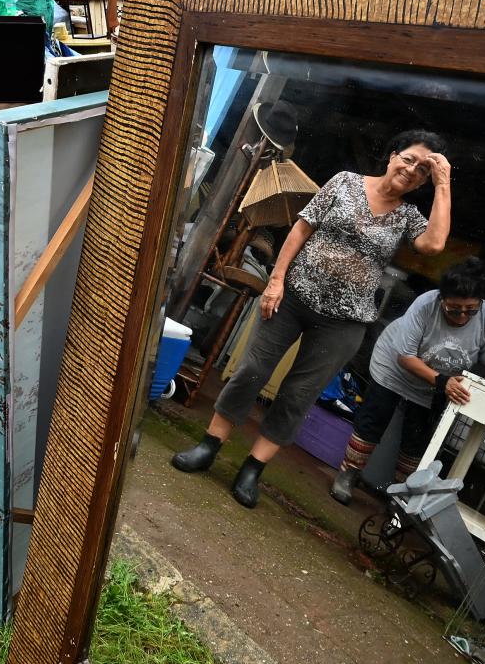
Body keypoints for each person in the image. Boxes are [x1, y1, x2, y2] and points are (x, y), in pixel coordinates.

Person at [171, 131, 453, 508]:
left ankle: (253, 468)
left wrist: (443, 182)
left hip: (345, 322)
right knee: (251, 370)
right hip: (293, 298)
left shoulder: (408, 217)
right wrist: (275, 282)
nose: (412, 170)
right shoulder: (345, 182)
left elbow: (433, 246)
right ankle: (209, 446)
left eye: (423, 170)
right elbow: (302, 228)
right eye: (409, 159)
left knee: (298, 395)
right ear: (392, 155)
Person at [329, 257, 485, 504]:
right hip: (394, 366)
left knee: (416, 440)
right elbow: (405, 357)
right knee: (372, 420)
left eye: (470, 310)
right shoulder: (425, 305)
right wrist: (442, 382)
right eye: (454, 309)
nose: (463, 316)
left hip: (436, 385)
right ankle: (347, 475)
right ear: (441, 299)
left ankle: (399, 499)